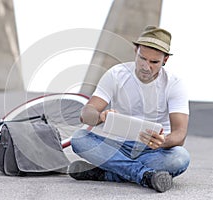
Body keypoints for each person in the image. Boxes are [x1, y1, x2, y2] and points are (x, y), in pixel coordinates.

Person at [68, 25, 190, 193]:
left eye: (154, 62)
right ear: (136, 51)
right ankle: (144, 175)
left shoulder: (174, 84)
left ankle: (107, 173)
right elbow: (85, 114)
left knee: (181, 157)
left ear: (165, 60)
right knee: (79, 139)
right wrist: (100, 117)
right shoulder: (116, 74)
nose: (146, 66)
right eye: (142, 58)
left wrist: (164, 141)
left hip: (153, 150)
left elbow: (180, 134)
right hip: (117, 146)